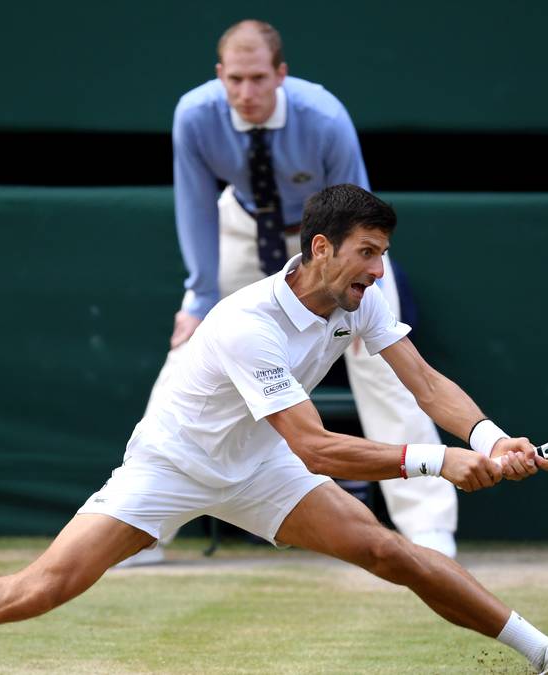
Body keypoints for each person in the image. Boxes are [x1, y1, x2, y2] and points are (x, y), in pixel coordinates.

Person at [0, 184, 548, 675]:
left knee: (393, 552)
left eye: (383, 253)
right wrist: (440, 462)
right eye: (365, 252)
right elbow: (316, 445)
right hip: (172, 464)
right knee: (41, 588)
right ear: (321, 247)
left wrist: (493, 435)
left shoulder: (364, 299)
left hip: (262, 470)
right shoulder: (244, 321)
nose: (377, 269)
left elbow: (424, 381)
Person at [133, 18, 459, 563]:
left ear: (281, 74)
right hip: (240, 226)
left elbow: (359, 211)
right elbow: (193, 204)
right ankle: (141, 524)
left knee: (385, 370)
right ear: (220, 76)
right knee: (186, 356)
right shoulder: (195, 114)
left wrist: (356, 282)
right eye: (234, 79)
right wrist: (199, 295)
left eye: (258, 78)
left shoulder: (324, 115)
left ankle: (429, 528)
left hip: (333, 242)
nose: (246, 93)